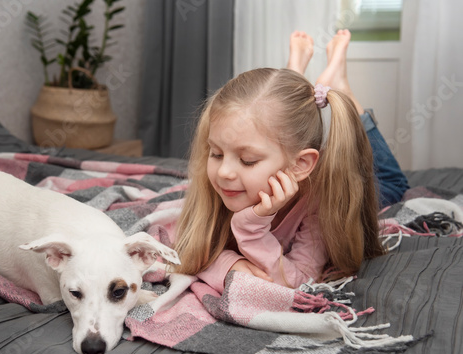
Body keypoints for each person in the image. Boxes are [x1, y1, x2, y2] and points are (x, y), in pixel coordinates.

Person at [173, 29, 407, 293]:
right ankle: (294, 77)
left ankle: (342, 87)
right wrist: (228, 263)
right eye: (215, 153)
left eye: (248, 160)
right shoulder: (217, 181)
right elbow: (182, 247)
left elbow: (300, 282)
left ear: (300, 165)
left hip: (329, 182)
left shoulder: (320, 206)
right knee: (274, 119)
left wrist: (252, 229)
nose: (224, 171)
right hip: (289, 144)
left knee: (392, 184)